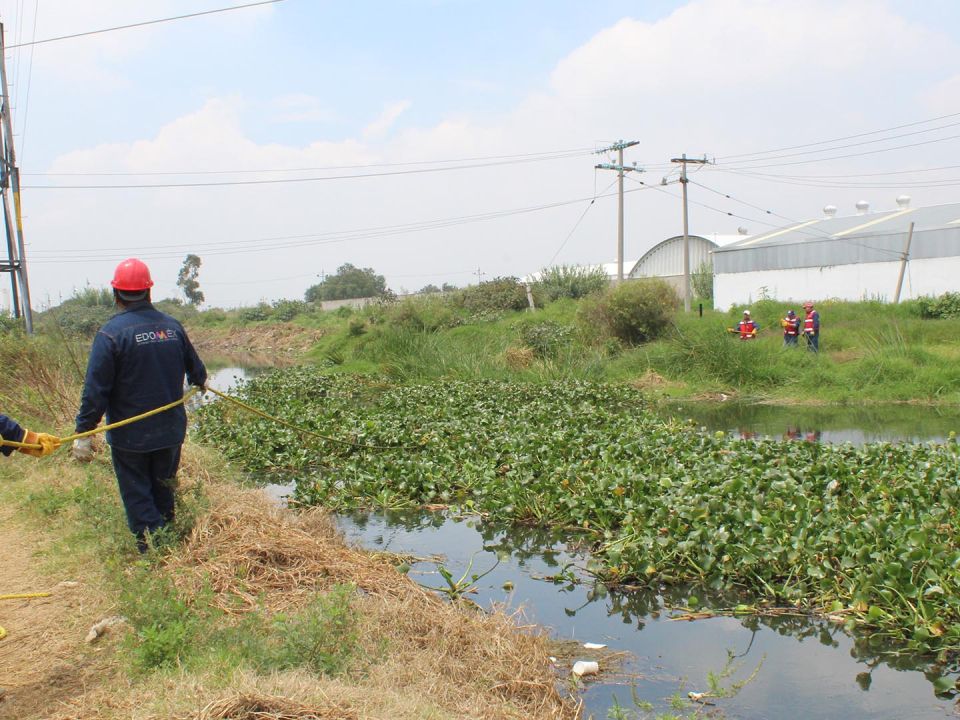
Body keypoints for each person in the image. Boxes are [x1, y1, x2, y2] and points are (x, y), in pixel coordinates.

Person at [73, 258, 207, 552]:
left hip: (131, 437)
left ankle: (155, 553)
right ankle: (168, 544)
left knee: (138, 493)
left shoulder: (110, 334)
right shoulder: (172, 327)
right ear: (149, 292)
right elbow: (198, 373)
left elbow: (95, 391)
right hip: (170, 431)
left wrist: (84, 432)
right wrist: (197, 381)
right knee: (163, 488)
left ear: (116, 293)